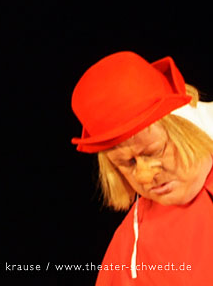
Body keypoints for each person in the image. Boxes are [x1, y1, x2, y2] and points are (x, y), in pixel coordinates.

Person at [70, 51, 213, 285]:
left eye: (154, 151)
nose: (145, 176)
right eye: (128, 163)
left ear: (187, 131)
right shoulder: (129, 251)